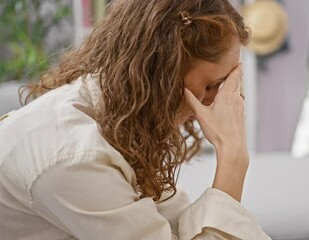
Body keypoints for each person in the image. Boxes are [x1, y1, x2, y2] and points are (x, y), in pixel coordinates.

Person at [0, 0, 270, 239]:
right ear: (162, 73)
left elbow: (173, 225)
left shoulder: (119, 114)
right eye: (213, 85)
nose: (215, 103)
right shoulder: (73, 159)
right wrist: (233, 157)